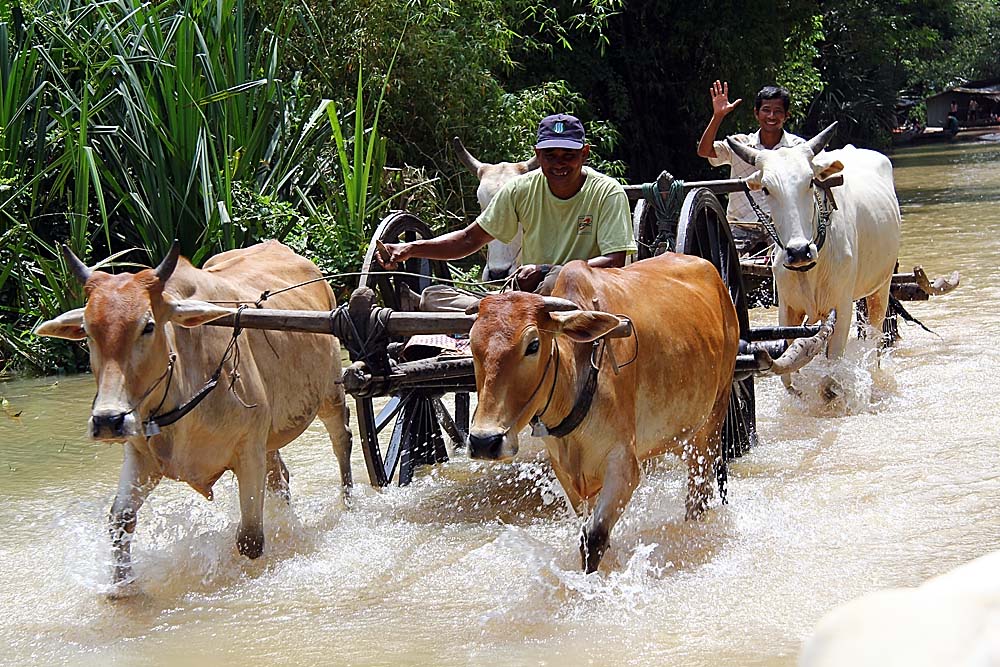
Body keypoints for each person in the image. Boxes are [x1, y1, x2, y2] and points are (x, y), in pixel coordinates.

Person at [377, 113, 636, 308]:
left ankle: (508, 310)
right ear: (538, 154)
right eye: (550, 155)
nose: (559, 164)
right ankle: (504, 310)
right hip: (528, 296)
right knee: (435, 297)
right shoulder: (519, 190)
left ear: (584, 154)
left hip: (587, 298)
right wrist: (412, 248)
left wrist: (547, 270)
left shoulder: (606, 192)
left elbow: (615, 261)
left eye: (568, 155)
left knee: (554, 282)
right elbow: (469, 239)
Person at [696, 81, 806, 253]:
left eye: (778, 111)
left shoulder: (798, 148)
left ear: (786, 115)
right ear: (756, 113)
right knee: (725, 266)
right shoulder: (740, 144)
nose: (771, 116)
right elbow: (704, 151)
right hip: (741, 224)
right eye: (766, 110)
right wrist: (718, 116)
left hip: (780, 226)